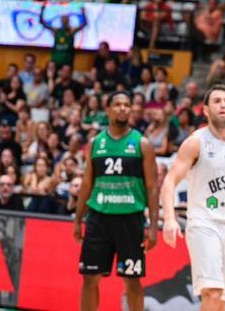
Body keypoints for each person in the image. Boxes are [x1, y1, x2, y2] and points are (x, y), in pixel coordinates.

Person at [159, 85, 225, 309]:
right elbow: (169, 181)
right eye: (217, 101)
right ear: (205, 110)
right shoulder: (196, 142)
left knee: (222, 297)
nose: (223, 105)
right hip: (204, 223)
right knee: (212, 291)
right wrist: (170, 218)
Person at [76, 92, 159, 311]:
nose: (123, 108)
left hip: (130, 220)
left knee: (132, 280)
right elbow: (86, 184)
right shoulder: (95, 144)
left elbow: (152, 188)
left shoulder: (142, 144)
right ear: (109, 109)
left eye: (126, 105)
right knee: (89, 277)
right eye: (118, 105)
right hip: (98, 219)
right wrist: (77, 221)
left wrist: (152, 228)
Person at [40, 5, 87, 70]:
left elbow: (84, 24)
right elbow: (42, 23)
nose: (64, 20)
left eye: (65, 19)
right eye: (63, 19)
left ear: (68, 21)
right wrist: (42, 11)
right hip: (56, 61)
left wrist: (83, 13)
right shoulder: (57, 31)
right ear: (61, 21)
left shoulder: (71, 32)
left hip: (67, 62)